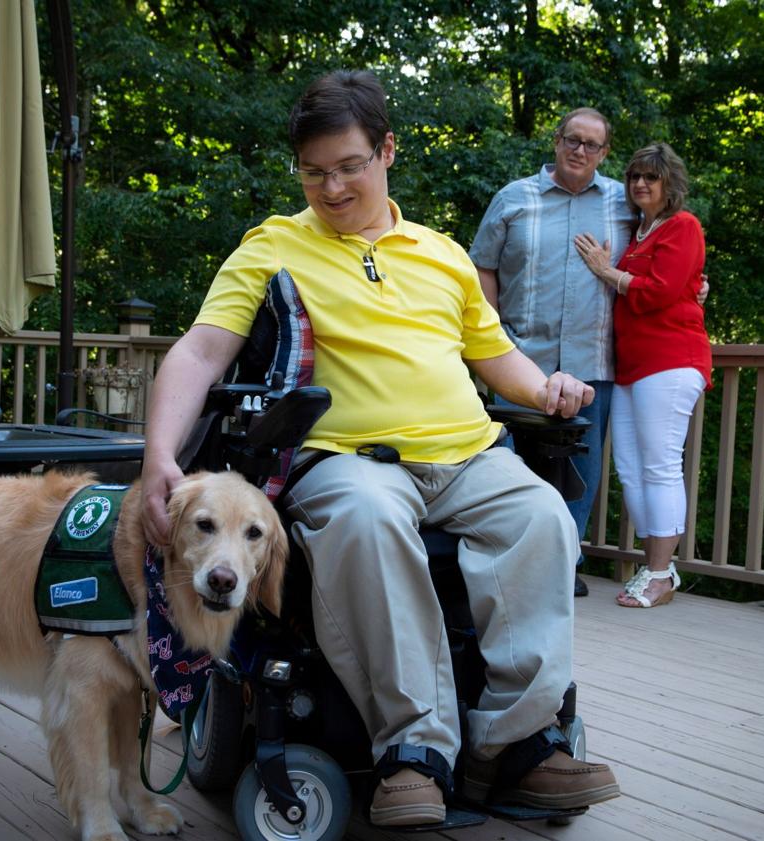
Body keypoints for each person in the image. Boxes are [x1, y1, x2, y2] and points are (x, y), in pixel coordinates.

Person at [139, 71, 620, 827]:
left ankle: (517, 744)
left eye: (350, 166)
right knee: (367, 519)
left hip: (470, 454)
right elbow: (200, 351)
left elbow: (496, 358)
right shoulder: (272, 245)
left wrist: (546, 388)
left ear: (388, 150)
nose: (331, 188)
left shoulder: (442, 254)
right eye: (314, 171)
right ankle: (415, 752)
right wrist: (159, 454)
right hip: (348, 461)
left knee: (543, 516)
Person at [468, 108, 636, 599]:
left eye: (592, 145)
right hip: (521, 360)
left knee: (579, 469)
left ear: (605, 154)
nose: (580, 151)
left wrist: (694, 285)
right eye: (572, 140)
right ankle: (512, 558)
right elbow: (483, 268)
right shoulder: (513, 199)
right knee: (509, 460)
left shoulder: (624, 204)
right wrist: (495, 336)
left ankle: (563, 562)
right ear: (556, 141)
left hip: (594, 360)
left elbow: (658, 254)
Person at [573, 142, 712, 608]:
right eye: (634, 177)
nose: (640, 184)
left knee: (659, 466)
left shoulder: (682, 225)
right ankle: (657, 569)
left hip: (671, 361)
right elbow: (682, 285)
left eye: (650, 177)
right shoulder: (639, 232)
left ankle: (658, 573)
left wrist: (605, 271)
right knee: (631, 469)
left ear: (668, 183)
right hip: (632, 366)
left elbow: (658, 293)